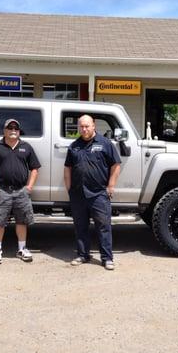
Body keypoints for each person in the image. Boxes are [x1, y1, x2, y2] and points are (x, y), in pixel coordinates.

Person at [64, 114, 121, 270]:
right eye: (81, 126)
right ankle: (83, 255)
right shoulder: (74, 145)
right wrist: (69, 189)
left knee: (103, 226)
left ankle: (107, 258)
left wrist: (111, 185)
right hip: (78, 194)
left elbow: (116, 165)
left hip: (99, 194)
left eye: (87, 126)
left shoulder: (105, 143)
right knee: (80, 226)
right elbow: (67, 168)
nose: (84, 129)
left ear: (94, 126)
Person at [0, 118, 41, 264]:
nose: (13, 130)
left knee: (22, 221)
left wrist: (29, 187)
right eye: (10, 128)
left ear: (19, 131)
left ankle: (22, 249)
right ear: (4, 130)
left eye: (16, 128)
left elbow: (35, 168)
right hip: (2, 191)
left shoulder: (26, 147)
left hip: (21, 191)